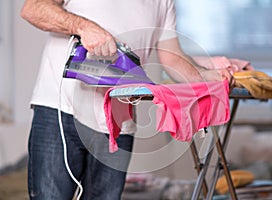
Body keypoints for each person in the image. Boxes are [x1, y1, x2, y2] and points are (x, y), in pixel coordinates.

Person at [20, 0, 233, 199]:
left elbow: (171, 57)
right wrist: (84, 28)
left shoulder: (163, 2)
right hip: (61, 109)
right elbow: (33, 8)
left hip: (118, 122)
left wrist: (205, 75)